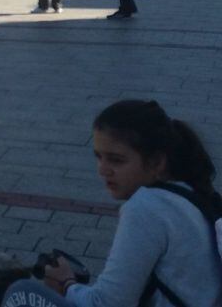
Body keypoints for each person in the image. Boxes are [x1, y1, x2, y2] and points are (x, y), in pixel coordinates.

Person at [41, 100, 222, 305]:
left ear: (156, 162)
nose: (103, 169)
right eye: (99, 157)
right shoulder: (192, 193)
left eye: (116, 160)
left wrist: (66, 284)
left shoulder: (147, 208)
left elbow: (108, 303)